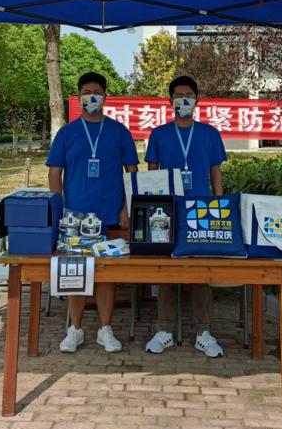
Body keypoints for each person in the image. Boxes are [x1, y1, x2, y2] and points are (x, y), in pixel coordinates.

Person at [47, 72, 139, 353]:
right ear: (79, 97)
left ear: (105, 97)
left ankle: (105, 329)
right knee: (75, 271)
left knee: (107, 273)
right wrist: (59, 209)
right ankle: (75, 329)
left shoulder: (119, 131)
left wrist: (127, 207)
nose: (92, 97)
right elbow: (54, 172)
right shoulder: (67, 133)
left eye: (97, 92)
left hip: (111, 216)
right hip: (74, 219)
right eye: (86, 92)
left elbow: (132, 172)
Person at [144, 76, 228, 358]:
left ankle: (203, 333)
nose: (184, 100)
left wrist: (219, 204)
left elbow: (215, 171)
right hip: (167, 211)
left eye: (189, 95)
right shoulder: (159, 134)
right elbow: (152, 172)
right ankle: (164, 330)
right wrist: (152, 205)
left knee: (200, 273)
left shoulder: (210, 133)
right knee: (166, 272)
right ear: (170, 101)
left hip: (201, 211)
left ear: (197, 100)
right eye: (178, 95)